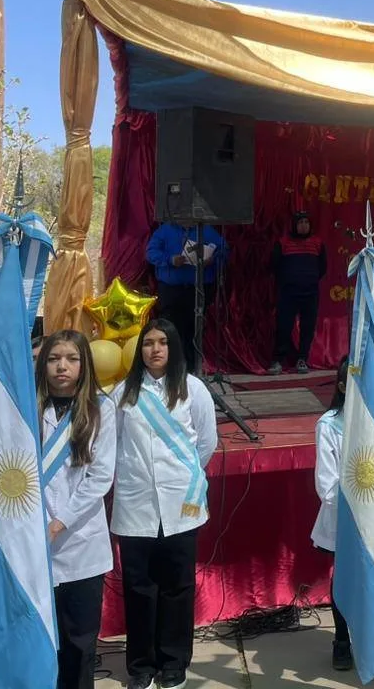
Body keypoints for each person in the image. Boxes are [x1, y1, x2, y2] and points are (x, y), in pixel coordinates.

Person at [111, 319, 219, 689]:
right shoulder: (123, 393)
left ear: (174, 347)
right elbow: (113, 446)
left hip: (181, 503)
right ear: (139, 350)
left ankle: (174, 662)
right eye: (148, 343)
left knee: (177, 585)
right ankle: (141, 665)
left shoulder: (193, 390)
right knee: (139, 587)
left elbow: (205, 442)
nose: (155, 349)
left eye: (162, 342)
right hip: (136, 503)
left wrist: (183, 480)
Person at [36, 329, 117, 689]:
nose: (61, 367)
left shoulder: (102, 408)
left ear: (84, 364)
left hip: (81, 542)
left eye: (70, 358)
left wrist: (60, 522)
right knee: (41, 643)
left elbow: (100, 478)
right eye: (53, 359)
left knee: (79, 642)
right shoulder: (27, 407)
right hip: (32, 543)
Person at [311, 357, 352, 672]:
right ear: (342, 386)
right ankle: (341, 639)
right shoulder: (329, 424)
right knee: (345, 579)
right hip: (345, 517)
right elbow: (327, 483)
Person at [146, 221, 227, 373]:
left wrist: (212, 259)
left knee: (194, 331)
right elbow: (151, 253)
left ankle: (191, 372)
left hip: (197, 290)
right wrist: (170, 259)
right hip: (171, 290)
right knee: (169, 330)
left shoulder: (206, 231)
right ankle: (168, 370)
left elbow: (224, 250)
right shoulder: (165, 230)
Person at [270, 211, 328, 375]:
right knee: (283, 327)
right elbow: (274, 266)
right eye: (301, 222)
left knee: (307, 328)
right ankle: (278, 360)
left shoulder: (317, 243)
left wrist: (310, 279)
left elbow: (323, 267)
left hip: (310, 292)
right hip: (288, 293)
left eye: (306, 222)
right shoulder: (283, 243)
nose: (304, 225)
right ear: (294, 225)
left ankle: (302, 359)